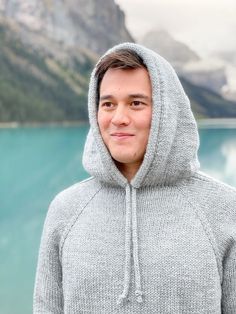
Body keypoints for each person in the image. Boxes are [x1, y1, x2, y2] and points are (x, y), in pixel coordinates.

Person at [33, 42, 236, 313]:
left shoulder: (223, 208)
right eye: (108, 104)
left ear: (166, 112)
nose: (119, 118)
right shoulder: (66, 210)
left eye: (136, 103)